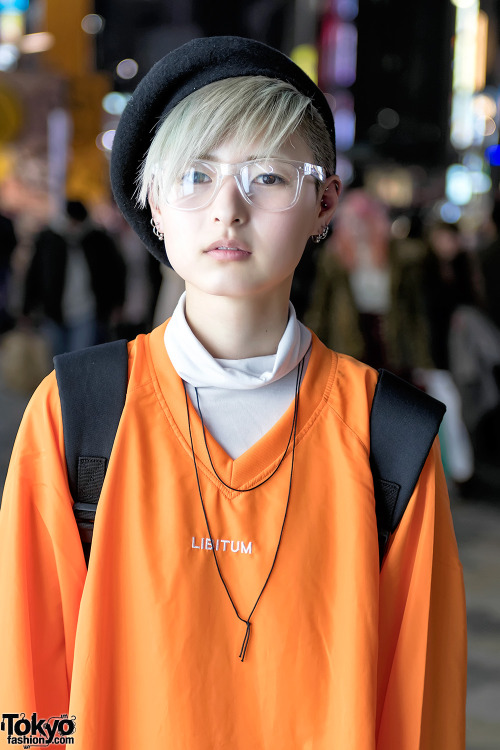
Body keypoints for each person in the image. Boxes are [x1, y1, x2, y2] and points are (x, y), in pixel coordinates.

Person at [0, 37, 466, 749]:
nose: (227, 209)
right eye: (193, 174)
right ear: (152, 201)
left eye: (269, 177)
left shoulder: (389, 435)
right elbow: (30, 689)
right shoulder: (77, 413)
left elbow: (420, 708)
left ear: (324, 203)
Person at [23, 200, 126, 356]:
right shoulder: (48, 239)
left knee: (79, 360)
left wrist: (116, 303)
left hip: (86, 312)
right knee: (55, 361)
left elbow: (113, 273)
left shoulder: (97, 240)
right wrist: (27, 307)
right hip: (54, 313)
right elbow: (35, 274)